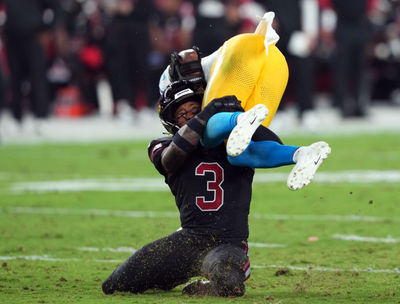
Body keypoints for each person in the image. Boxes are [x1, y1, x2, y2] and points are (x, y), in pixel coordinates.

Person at [102, 78, 330, 297]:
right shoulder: (164, 145)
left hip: (228, 243)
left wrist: (239, 117)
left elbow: (272, 144)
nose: (191, 117)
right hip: (188, 240)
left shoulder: (234, 142)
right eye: (183, 115)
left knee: (230, 284)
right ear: (171, 122)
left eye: (195, 110)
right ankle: (169, 278)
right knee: (115, 285)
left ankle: (207, 286)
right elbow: (170, 161)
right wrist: (206, 113)